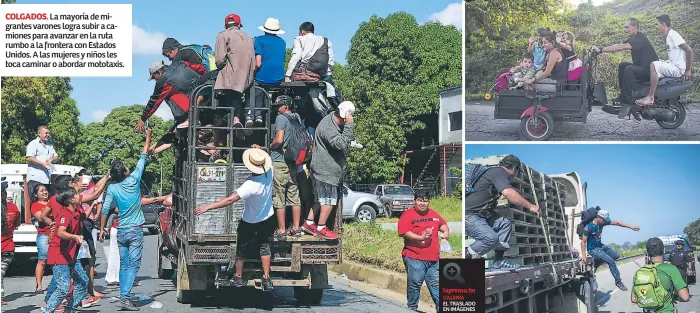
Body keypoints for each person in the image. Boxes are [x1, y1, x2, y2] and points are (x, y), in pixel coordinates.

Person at [194, 148, 275, 292]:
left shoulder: (250, 184)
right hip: (267, 218)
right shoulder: (269, 173)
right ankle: (267, 278)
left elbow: (231, 199)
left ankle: (238, 276)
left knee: (242, 247)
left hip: (250, 221)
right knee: (264, 246)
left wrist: (208, 207)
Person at [98, 128, 152, 311]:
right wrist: (148, 136)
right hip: (135, 229)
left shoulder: (113, 188)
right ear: (125, 172)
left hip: (121, 229)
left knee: (124, 264)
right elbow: (144, 155)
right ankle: (124, 297)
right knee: (133, 265)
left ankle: (124, 296)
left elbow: (105, 209)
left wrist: (102, 228)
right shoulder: (134, 179)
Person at [463, 155, 540, 269]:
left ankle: (499, 261)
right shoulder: (498, 172)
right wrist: (531, 206)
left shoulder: (496, 174)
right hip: (469, 215)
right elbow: (508, 192)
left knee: (504, 224)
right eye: (518, 171)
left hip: (481, 215)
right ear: (514, 168)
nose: (517, 174)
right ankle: (465, 257)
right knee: (490, 238)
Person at [300, 101, 356, 240]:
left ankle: (309, 223)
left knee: (320, 199)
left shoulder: (331, 120)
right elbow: (339, 143)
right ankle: (321, 227)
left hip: (322, 168)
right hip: (325, 170)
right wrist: (349, 125)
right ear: (344, 116)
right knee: (329, 200)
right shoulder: (328, 127)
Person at [590, 18, 659, 118]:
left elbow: (622, 47)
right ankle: (623, 95)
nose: (625, 29)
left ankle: (626, 102)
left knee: (629, 69)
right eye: (624, 27)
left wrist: (601, 50)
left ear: (635, 28)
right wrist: (600, 47)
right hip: (642, 68)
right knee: (623, 65)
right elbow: (619, 45)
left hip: (650, 71)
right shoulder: (634, 38)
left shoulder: (640, 39)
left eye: (627, 27)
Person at [397, 192, 449, 312]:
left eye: (425, 201)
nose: (422, 203)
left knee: (437, 285)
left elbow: (443, 224)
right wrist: (421, 238)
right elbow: (404, 232)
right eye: (420, 200)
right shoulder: (408, 215)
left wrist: (445, 232)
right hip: (414, 256)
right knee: (415, 283)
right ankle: (412, 308)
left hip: (433, 259)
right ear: (415, 201)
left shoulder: (433, 214)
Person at [260, 95, 303, 239]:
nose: (277, 109)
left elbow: (279, 140)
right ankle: (296, 228)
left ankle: (282, 230)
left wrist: (267, 147)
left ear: (285, 106)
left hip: (279, 162)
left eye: (278, 106)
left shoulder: (281, 118)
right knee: (294, 196)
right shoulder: (296, 117)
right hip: (293, 162)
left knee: (279, 198)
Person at [42, 188, 91, 313]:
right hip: (59, 255)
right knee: (63, 288)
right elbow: (60, 232)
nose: (80, 196)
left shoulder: (76, 212)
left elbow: (94, 194)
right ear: (71, 200)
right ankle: (47, 310)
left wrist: (106, 178)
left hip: (70, 255)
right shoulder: (65, 214)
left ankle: (70, 309)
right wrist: (75, 237)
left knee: (83, 280)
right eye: (76, 195)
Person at [214, 13, 256, 140]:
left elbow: (220, 60)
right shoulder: (248, 37)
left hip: (230, 79)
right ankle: (237, 116)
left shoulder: (222, 35)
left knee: (216, 95)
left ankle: (226, 121)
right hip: (248, 79)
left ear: (226, 25)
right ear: (239, 24)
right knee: (236, 95)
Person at [636, 15, 694, 106]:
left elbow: (689, 50)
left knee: (654, 65)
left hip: (678, 69)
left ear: (663, 24)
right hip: (674, 64)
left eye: (657, 24)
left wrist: (688, 70)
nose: (657, 27)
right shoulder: (669, 36)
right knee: (657, 61)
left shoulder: (673, 35)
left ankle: (650, 97)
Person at [580, 209, 639, 291]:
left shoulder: (602, 223)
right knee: (611, 261)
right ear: (598, 217)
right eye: (604, 220)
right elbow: (583, 242)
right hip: (593, 249)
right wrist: (583, 256)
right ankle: (618, 282)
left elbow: (618, 223)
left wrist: (632, 227)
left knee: (616, 256)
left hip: (600, 246)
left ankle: (596, 263)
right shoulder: (588, 227)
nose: (605, 222)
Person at [631, 237, 689, 312]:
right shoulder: (671, 269)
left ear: (647, 253)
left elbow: (634, 299)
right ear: (664, 250)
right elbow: (685, 297)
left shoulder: (640, 272)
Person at [251, 17, 287, 128]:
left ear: (265, 30)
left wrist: (252, 73)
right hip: (279, 78)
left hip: (263, 77)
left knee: (255, 87)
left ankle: (256, 114)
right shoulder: (282, 42)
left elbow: (258, 63)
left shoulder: (259, 40)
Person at [1, 181, 20, 306]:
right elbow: (17, 224)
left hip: (6, 248)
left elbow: (16, 223)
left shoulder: (13, 208)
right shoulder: (12, 208)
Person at [26, 125, 58, 198]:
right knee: (36, 202)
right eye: (46, 133)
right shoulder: (33, 144)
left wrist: (51, 159)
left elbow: (56, 157)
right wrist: (42, 164)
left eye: (48, 133)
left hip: (46, 179)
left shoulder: (50, 145)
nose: (48, 135)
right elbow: (29, 158)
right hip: (35, 179)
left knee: (46, 203)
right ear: (39, 133)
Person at [30, 183, 51, 292]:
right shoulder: (35, 205)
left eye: (45, 189)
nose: (45, 192)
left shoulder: (52, 202)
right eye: (41, 191)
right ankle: (39, 285)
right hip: (44, 235)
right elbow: (41, 218)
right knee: (42, 260)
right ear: (36, 194)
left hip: (56, 234)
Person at [105, 206, 120, 286]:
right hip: (123, 228)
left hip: (116, 228)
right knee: (123, 255)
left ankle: (112, 278)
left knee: (114, 254)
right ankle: (119, 278)